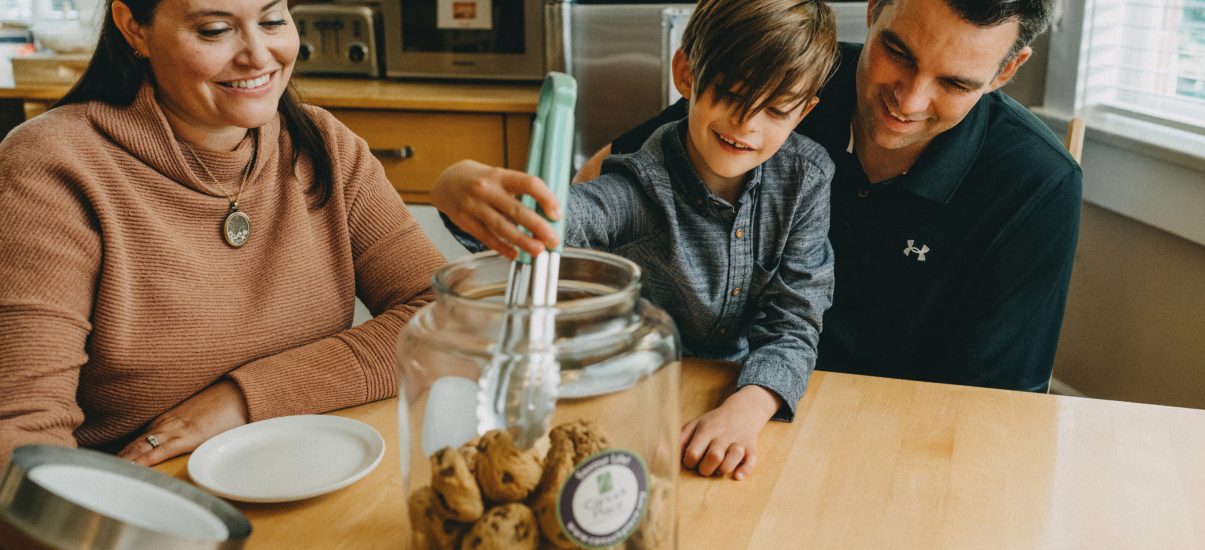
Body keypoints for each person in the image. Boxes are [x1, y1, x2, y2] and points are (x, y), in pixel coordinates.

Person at [0, 0, 446, 470]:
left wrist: (238, 401)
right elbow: (22, 440)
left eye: (273, 20)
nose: (258, 55)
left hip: (313, 471)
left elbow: (443, 320)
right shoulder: (49, 167)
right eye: (214, 30)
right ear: (134, 27)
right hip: (139, 506)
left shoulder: (323, 145)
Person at [578, 0, 1083, 393]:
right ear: (871, 10)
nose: (908, 101)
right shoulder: (789, 80)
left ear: (1005, 71)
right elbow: (609, 170)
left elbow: (1000, 401)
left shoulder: (1038, 185)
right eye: (898, 53)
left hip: (897, 436)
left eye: (953, 82)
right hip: (731, 394)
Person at [434, 0, 838, 481]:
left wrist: (750, 406)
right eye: (730, 93)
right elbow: (553, 224)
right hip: (633, 398)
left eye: (775, 109)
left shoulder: (808, 179)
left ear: (805, 110)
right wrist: (455, 188)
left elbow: (795, 322)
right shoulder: (636, 187)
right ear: (686, 73)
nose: (746, 124)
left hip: (744, 404)